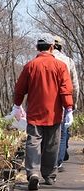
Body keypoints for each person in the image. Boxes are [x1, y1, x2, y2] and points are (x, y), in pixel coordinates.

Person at [11, 33, 73, 191]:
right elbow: (66, 90)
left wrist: (17, 105)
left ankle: (33, 173)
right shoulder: (61, 66)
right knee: (52, 144)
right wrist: (69, 108)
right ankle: (49, 175)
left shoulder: (30, 66)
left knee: (33, 142)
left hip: (35, 112)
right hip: (54, 113)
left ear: (37, 48)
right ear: (52, 47)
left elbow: (19, 89)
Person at [53, 36, 80, 172]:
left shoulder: (41, 60)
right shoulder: (68, 61)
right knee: (63, 133)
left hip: (45, 103)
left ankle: (46, 161)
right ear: (61, 47)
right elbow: (75, 85)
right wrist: (73, 103)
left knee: (45, 133)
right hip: (64, 101)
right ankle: (58, 162)